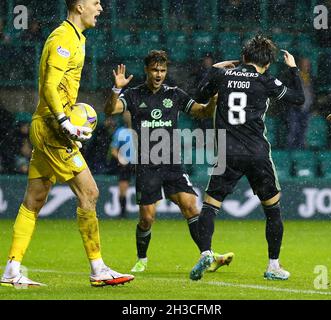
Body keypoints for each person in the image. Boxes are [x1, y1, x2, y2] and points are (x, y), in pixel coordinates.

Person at [0, 0, 134, 288]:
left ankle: (12, 269)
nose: (100, 7)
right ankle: (98, 269)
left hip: (47, 125)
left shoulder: (77, 38)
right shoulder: (63, 37)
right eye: (95, 2)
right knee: (90, 191)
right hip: (52, 128)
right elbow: (49, 84)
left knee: (34, 198)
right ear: (79, 6)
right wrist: (64, 122)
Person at [104, 50, 234, 273]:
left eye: (162, 70)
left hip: (172, 163)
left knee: (191, 206)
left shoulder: (174, 94)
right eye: (155, 70)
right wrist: (117, 88)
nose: (158, 74)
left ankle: (207, 256)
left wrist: (213, 101)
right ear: (147, 70)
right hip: (147, 165)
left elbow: (202, 112)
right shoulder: (134, 95)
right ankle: (142, 258)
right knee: (147, 218)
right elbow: (110, 110)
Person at [189, 35, 305, 281]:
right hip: (256, 153)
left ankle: (205, 252)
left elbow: (199, 97)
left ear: (243, 57)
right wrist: (293, 69)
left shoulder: (222, 76)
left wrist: (214, 69)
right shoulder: (266, 80)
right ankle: (273, 265)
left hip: (226, 152)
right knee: (273, 209)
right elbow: (298, 99)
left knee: (210, 205)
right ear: (269, 63)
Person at [110, 111, 135, 218]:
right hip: (126, 163)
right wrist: (121, 158)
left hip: (139, 163)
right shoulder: (120, 131)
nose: (127, 116)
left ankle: (147, 213)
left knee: (146, 187)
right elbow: (113, 150)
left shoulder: (141, 129)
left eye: (129, 113)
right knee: (123, 188)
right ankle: (123, 213)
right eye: (126, 114)